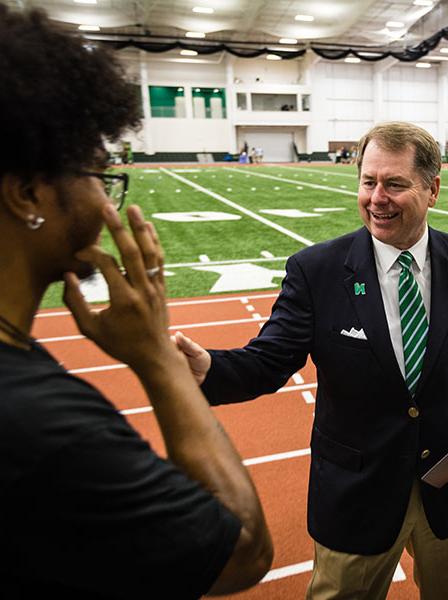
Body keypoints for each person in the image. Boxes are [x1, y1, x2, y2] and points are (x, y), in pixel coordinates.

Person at [0, 6, 273, 597]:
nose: (106, 197)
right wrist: (157, 357)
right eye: (98, 172)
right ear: (27, 194)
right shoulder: (39, 421)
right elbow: (243, 549)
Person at [174, 121, 448, 599]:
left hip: (446, 486)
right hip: (359, 493)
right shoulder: (317, 271)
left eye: (395, 184)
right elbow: (269, 361)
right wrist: (208, 368)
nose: (377, 198)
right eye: (368, 182)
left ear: (432, 189)